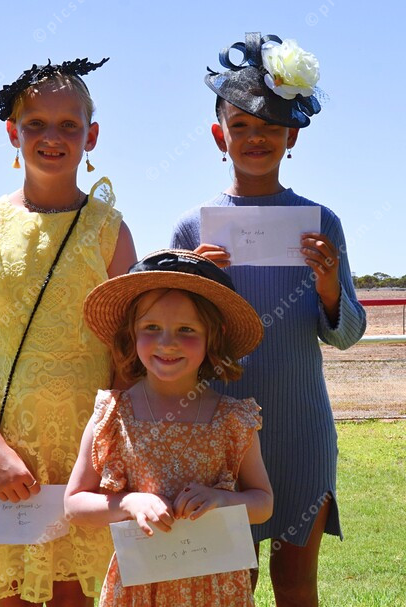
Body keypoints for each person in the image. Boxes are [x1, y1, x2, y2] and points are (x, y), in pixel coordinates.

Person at [171, 33, 366, 606]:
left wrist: (329, 285)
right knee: (234, 584)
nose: (255, 137)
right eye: (240, 125)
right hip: (219, 430)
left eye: (270, 126)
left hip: (301, 427)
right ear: (219, 136)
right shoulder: (192, 229)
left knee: (297, 583)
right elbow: (170, 340)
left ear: (292, 136)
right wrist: (193, 282)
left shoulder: (321, 223)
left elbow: (348, 334)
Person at [0, 58, 137, 606]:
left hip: (88, 460)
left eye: (69, 124)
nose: (53, 137)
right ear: (13, 132)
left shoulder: (110, 231)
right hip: (10, 458)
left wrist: (112, 451)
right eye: (36, 124)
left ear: (91, 136)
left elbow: (128, 353)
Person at [65, 249, 273, 606]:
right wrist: (129, 502)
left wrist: (223, 499)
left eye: (186, 330)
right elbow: (74, 504)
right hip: (138, 587)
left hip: (216, 589)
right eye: (152, 328)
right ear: (132, 332)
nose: (167, 342)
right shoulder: (112, 415)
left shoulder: (232, 418)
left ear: (214, 336)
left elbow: (263, 502)